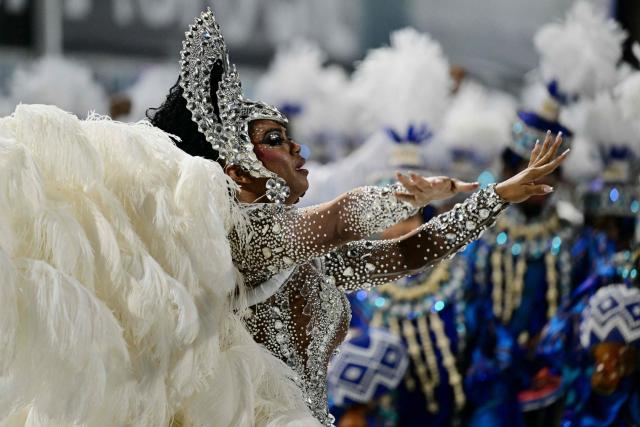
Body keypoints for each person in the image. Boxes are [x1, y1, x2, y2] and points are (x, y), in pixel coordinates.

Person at [149, 8, 569, 426]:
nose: (296, 149)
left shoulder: (306, 256)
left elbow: (411, 252)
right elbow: (339, 219)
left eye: (289, 136)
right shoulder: (249, 238)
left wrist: (495, 197)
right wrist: (407, 197)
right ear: (238, 172)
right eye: (275, 140)